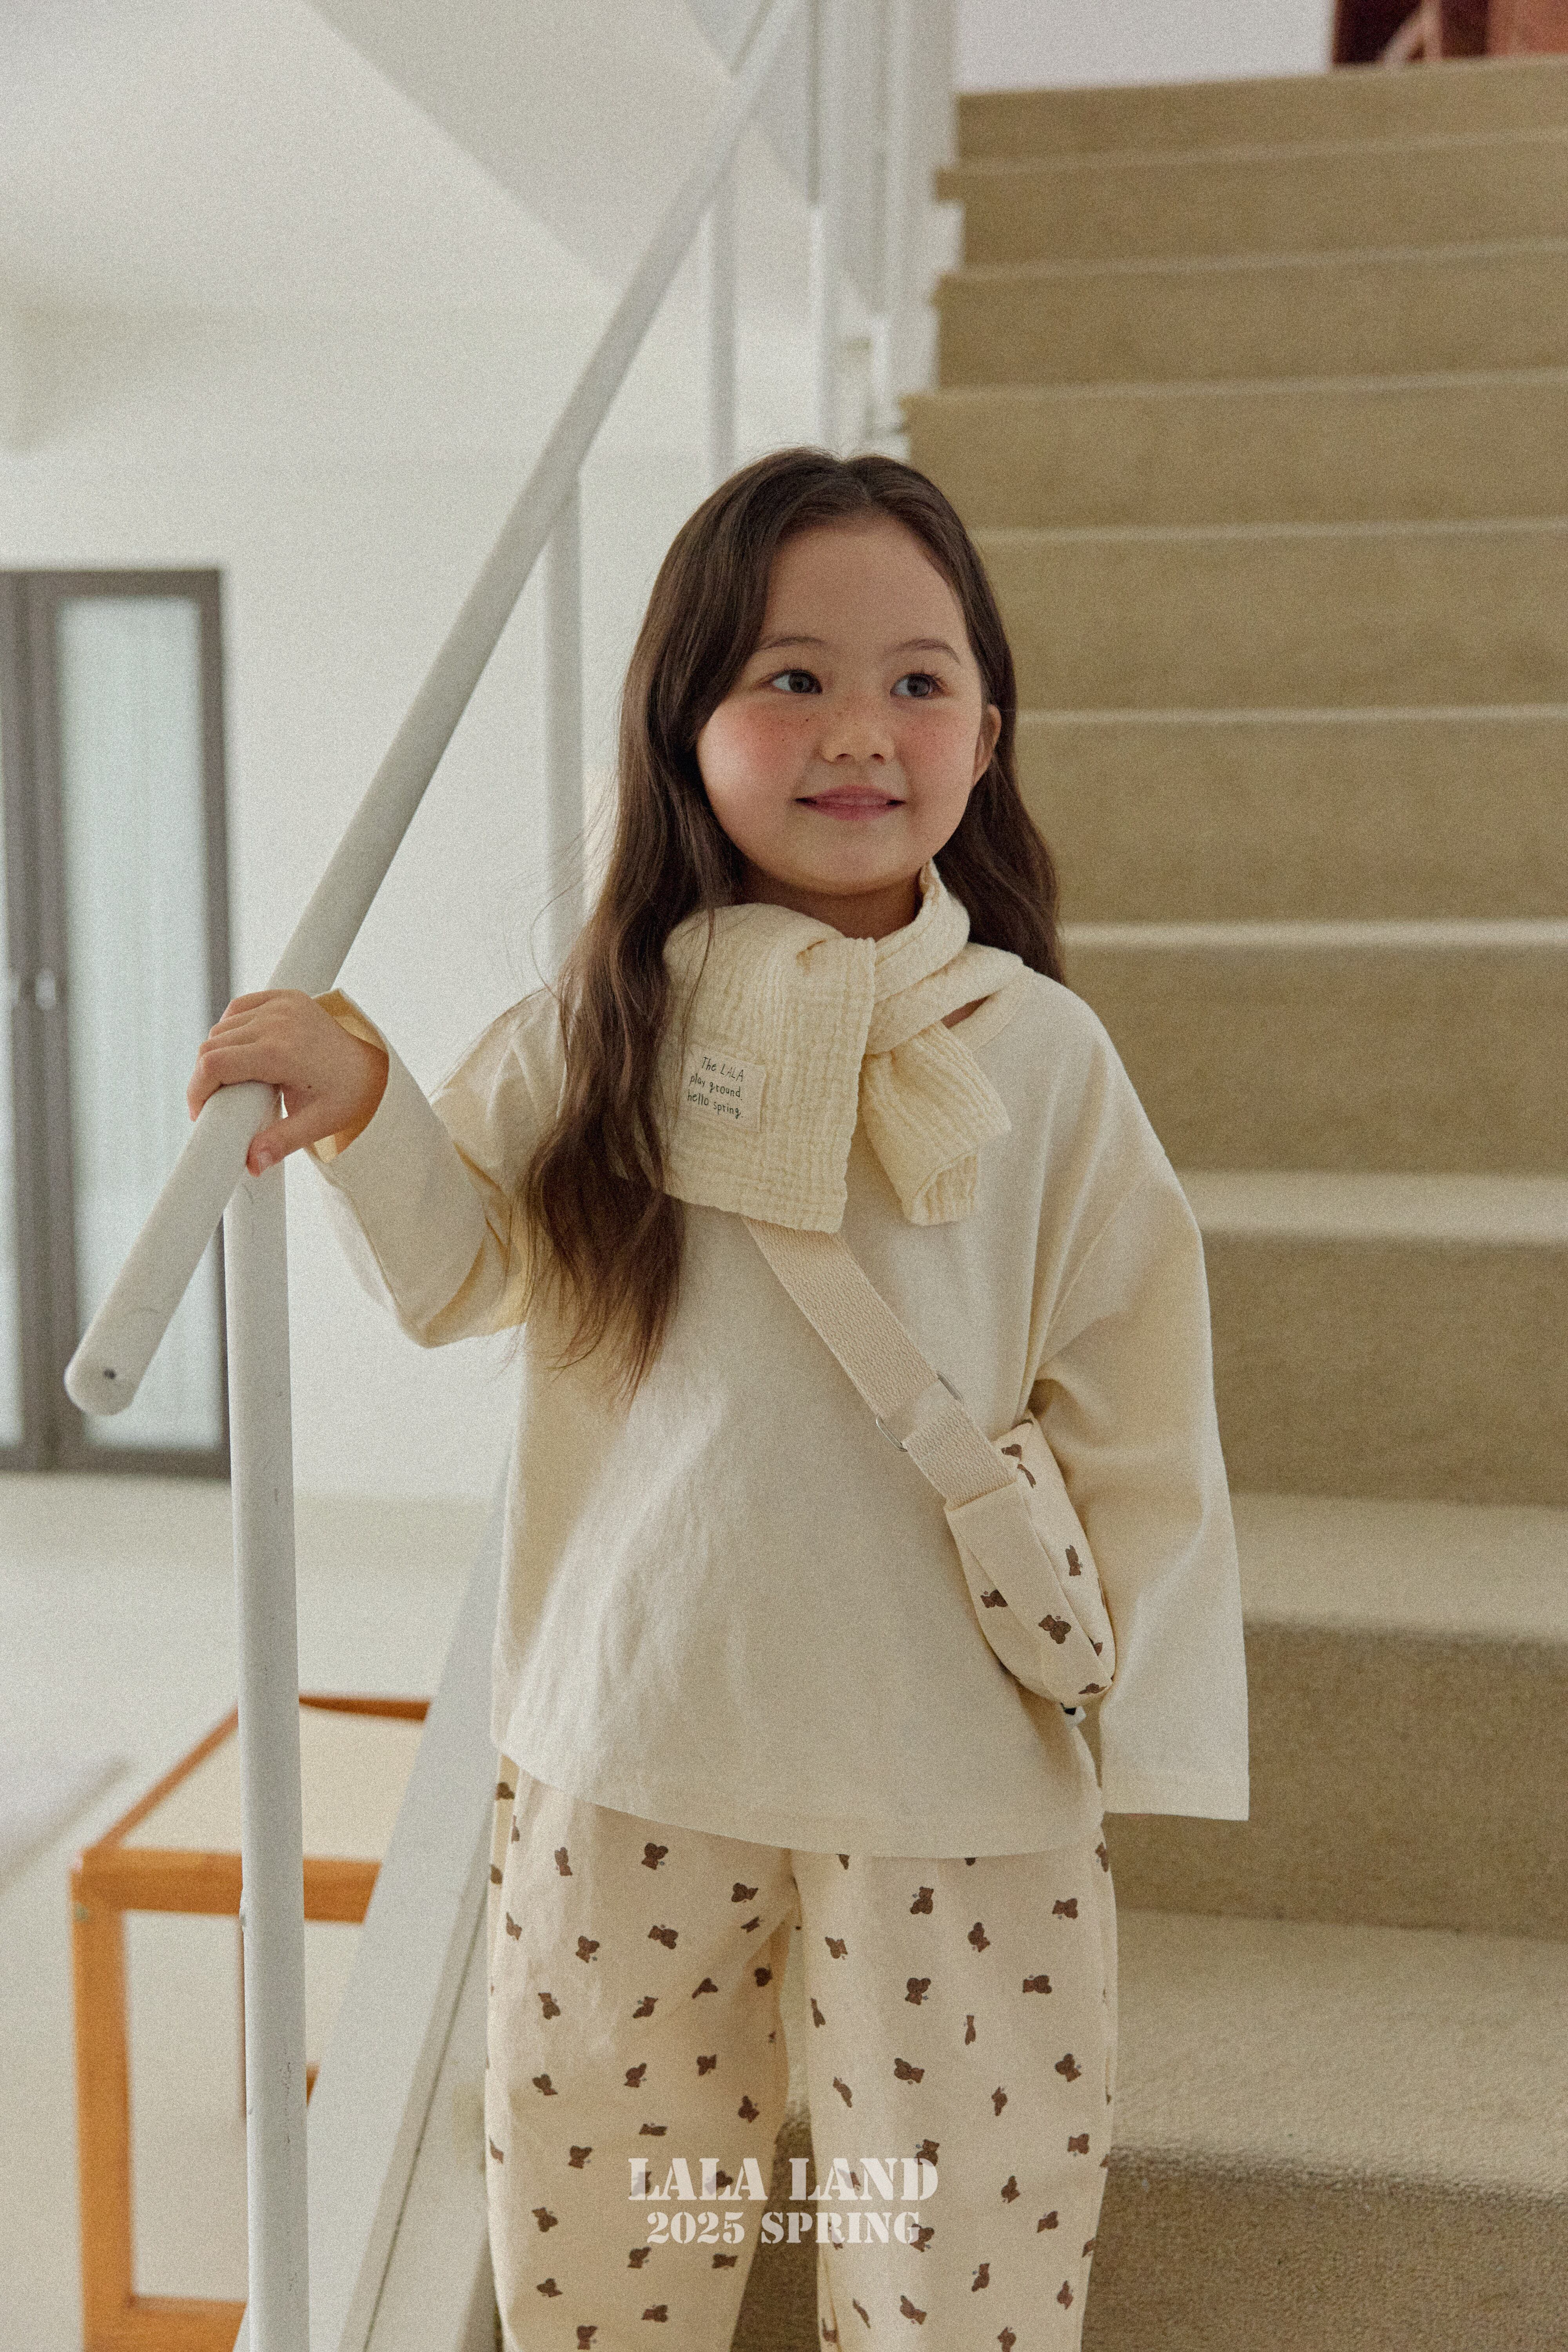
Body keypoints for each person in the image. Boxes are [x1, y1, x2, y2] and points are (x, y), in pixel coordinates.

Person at [187, 449, 1249, 2350]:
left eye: (917, 681)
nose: (859, 730)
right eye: (790, 677)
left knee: (954, 2261)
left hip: (947, 1775)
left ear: (988, 735)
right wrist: (365, 1111)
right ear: (683, 727)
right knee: (607, 2227)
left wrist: (1149, 1730)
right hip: (634, 1739)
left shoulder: (1043, 1056)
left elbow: (1140, 1413)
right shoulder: (604, 1023)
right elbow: (467, 1272)